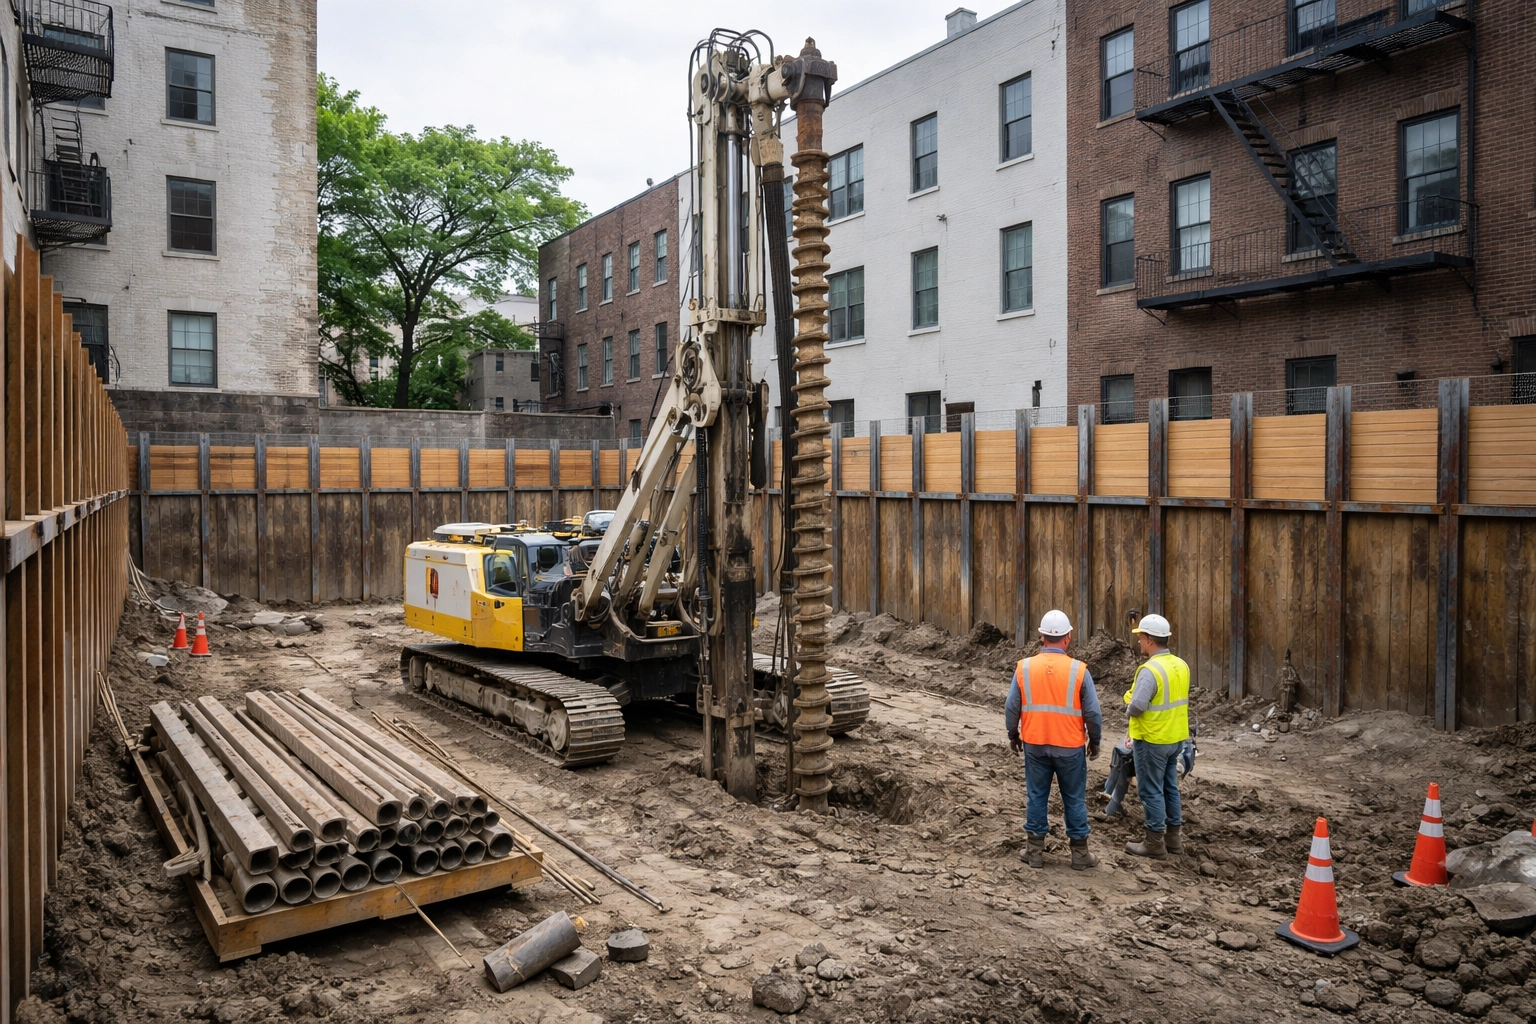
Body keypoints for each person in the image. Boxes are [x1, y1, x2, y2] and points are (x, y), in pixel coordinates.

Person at [1004, 610, 1102, 870]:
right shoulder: (1079, 670)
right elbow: (1092, 712)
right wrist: (1096, 740)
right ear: (1068, 638)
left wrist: (1013, 734)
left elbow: (1011, 706)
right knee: (1074, 798)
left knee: (1037, 796)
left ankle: (1034, 851)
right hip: (1070, 747)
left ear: (1041, 637)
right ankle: (1080, 854)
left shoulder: (1024, 667)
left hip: (1035, 744)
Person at [1122, 613, 1191, 860]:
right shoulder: (1181, 665)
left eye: (1141, 637)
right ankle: (1174, 839)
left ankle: (1154, 842)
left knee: (1151, 790)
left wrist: (1127, 706)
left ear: (1150, 639)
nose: (1139, 641)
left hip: (1152, 739)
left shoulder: (1150, 670)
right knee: (1169, 787)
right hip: (1176, 739)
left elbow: (1138, 705)